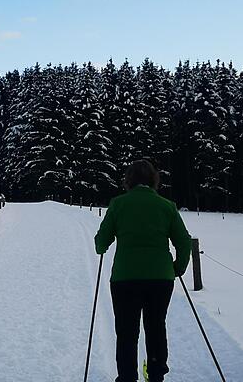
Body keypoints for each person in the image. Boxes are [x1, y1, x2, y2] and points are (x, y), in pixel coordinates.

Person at [94, 160, 191, 382]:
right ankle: (156, 375)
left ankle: (127, 377)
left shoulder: (118, 204)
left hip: (125, 278)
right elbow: (184, 243)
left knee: (127, 331)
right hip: (161, 279)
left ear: (128, 181)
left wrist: (101, 244)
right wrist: (177, 268)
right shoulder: (167, 206)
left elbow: (101, 242)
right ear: (153, 180)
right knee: (156, 326)